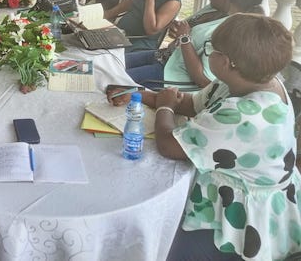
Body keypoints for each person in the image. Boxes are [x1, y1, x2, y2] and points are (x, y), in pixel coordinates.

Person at [111, 14, 301, 260]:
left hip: (240, 224)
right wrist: (138, 94)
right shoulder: (245, 81)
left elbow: (169, 146)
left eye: (211, 50)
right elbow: (191, 104)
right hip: (231, 196)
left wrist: (164, 107)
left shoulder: (245, 115)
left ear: (228, 63)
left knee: (157, 244)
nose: (208, 54)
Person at [125, 0, 266, 88]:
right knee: (114, 62)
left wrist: (184, 38)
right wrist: (176, 29)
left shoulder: (230, 31)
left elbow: (203, 80)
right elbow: (186, 28)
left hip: (169, 75)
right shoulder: (213, 9)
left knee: (117, 79)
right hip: (163, 56)